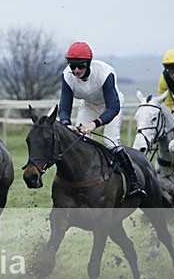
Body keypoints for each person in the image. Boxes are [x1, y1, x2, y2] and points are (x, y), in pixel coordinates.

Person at [58, 41, 146, 198]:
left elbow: (113, 108)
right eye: (72, 66)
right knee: (78, 140)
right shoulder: (67, 76)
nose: (76, 70)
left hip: (111, 106)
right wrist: (66, 124)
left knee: (111, 142)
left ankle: (134, 183)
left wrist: (94, 124)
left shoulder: (104, 73)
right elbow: (64, 108)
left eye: (81, 65)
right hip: (89, 106)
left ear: (89, 63)